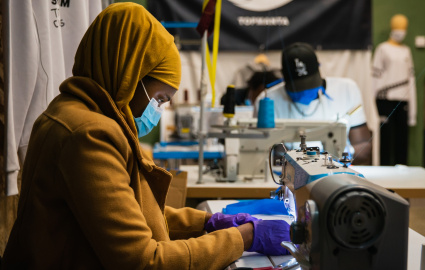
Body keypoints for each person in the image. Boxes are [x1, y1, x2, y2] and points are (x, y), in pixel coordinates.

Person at [1, 3, 289, 270]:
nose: (158, 111)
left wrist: (209, 223)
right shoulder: (89, 136)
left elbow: (133, 216)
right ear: (128, 74)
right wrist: (243, 238)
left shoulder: (71, 111)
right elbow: (143, 261)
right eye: (159, 98)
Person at [256, 42, 372, 165]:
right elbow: (266, 155)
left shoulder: (347, 90)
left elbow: (364, 148)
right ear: (283, 76)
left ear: (319, 67)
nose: (305, 91)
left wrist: (341, 155)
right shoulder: (267, 102)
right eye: (299, 87)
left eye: (309, 85)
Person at [372, 14, 416, 166]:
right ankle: (383, 168)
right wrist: (372, 102)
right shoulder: (382, 49)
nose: (401, 31)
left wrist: (413, 113)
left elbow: (411, 80)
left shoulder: (406, 51)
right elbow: (375, 76)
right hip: (384, 99)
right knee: (385, 138)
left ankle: (402, 168)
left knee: (402, 138)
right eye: (398, 26)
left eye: (403, 27)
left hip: (403, 99)